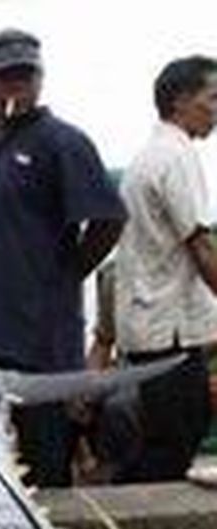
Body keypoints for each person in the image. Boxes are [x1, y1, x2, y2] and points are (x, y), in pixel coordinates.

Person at [0, 29, 126, 488]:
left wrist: (66, 274)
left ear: (41, 79)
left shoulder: (63, 142)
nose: (17, 85)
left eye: (27, 75)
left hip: (41, 346)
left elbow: (109, 218)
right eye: (5, 76)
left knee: (45, 473)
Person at [112, 56, 217, 483]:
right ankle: (123, 509)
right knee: (174, 442)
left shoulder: (149, 156)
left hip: (150, 324)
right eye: (213, 98)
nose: (216, 109)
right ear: (180, 101)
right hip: (168, 328)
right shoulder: (176, 156)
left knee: (166, 437)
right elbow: (201, 245)